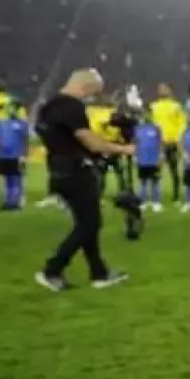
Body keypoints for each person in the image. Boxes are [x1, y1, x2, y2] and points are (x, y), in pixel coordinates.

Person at [34, 69, 131, 292]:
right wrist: (124, 149)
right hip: (76, 171)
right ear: (86, 87)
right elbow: (91, 143)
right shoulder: (72, 107)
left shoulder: (47, 107)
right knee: (90, 224)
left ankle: (99, 273)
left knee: (87, 222)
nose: (90, 98)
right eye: (92, 93)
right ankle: (52, 269)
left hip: (57, 169)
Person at [148, 84, 186, 204]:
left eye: (165, 89)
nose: (162, 91)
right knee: (156, 170)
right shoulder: (153, 106)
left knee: (174, 170)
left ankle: (176, 196)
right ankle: (156, 196)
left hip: (171, 142)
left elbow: (181, 124)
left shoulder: (176, 106)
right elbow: (150, 123)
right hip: (156, 143)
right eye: (160, 89)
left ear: (170, 91)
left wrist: (177, 139)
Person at [0, 102, 30, 210]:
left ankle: (15, 203)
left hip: (17, 156)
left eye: (13, 108)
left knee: (16, 179)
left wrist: (24, 155)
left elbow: (26, 140)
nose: (11, 110)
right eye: (9, 108)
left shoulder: (23, 124)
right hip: (4, 156)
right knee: (8, 180)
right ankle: (9, 201)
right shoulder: (3, 123)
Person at [133, 111, 164, 212]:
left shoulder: (156, 128)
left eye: (148, 114)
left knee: (156, 182)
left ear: (151, 115)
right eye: (143, 114)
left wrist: (161, 155)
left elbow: (161, 142)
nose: (146, 116)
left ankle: (156, 202)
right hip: (142, 159)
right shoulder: (138, 128)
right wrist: (135, 156)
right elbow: (135, 143)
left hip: (154, 160)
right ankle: (143, 202)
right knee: (142, 182)